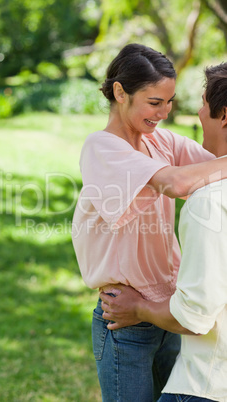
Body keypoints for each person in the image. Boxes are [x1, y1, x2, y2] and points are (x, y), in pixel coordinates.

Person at [71, 43, 227, 402]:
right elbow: (176, 183)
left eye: (169, 102)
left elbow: (214, 166)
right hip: (126, 317)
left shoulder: (161, 141)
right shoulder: (101, 148)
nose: (164, 113)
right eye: (155, 103)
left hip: (169, 312)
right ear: (120, 92)